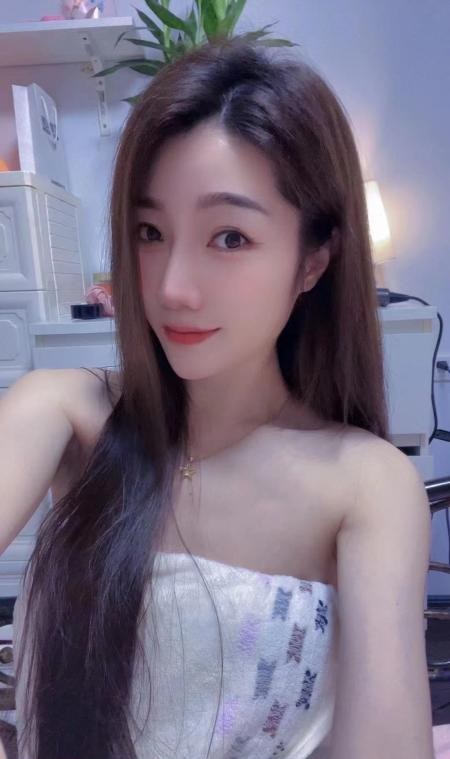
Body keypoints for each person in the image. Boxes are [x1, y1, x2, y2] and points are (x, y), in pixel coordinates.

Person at [0, 36, 434, 759]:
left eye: (229, 237)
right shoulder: (63, 413)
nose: (172, 286)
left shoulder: (363, 483)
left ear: (313, 260)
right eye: (150, 232)